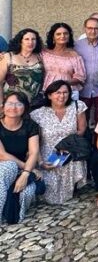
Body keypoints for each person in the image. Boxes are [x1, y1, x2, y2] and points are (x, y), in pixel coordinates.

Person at [30, 80, 88, 204]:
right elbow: (34, 140)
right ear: (50, 95)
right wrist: (40, 161)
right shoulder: (38, 114)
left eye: (65, 92)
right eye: (58, 93)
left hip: (70, 148)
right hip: (48, 150)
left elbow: (82, 129)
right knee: (49, 191)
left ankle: (73, 186)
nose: (62, 96)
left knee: (70, 163)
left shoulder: (77, 106)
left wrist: (67, 146)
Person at [0, 91, 41, 223]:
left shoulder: (30, 125)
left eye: (18, 104)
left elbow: (34, 152)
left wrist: (25, 174)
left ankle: (11, 213)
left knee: (27, 192)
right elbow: (2, 155)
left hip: (23, 169)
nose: (13, 107)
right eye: (10, 103)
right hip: (4, 166)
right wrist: (28, 170)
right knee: (8, 166)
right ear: (3, 106)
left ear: (25, 108)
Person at [75, 17, 98, 125]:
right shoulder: (76, 46)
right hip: (82, 89)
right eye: (90, 28)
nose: (93, 31)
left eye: (96, 28)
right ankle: (84, 141)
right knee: (82, 121)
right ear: (84, 29)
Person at [0, 28, 45, 107]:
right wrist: (0, 104)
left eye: (33, 39)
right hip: (11, 103)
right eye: (26, 39)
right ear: (20, 41)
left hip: (35, 104)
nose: (30, 42)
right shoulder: (8, 57)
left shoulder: (41, 57)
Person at [41, 23, 86, 100]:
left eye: (65, 33)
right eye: (58, 34)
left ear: (69, 36)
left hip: (67, 93)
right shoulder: (44, 53)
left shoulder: (74, 55)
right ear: (53, 37)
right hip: (46, 91)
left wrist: (63, 84)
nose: (62, 36)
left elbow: (80, 76)